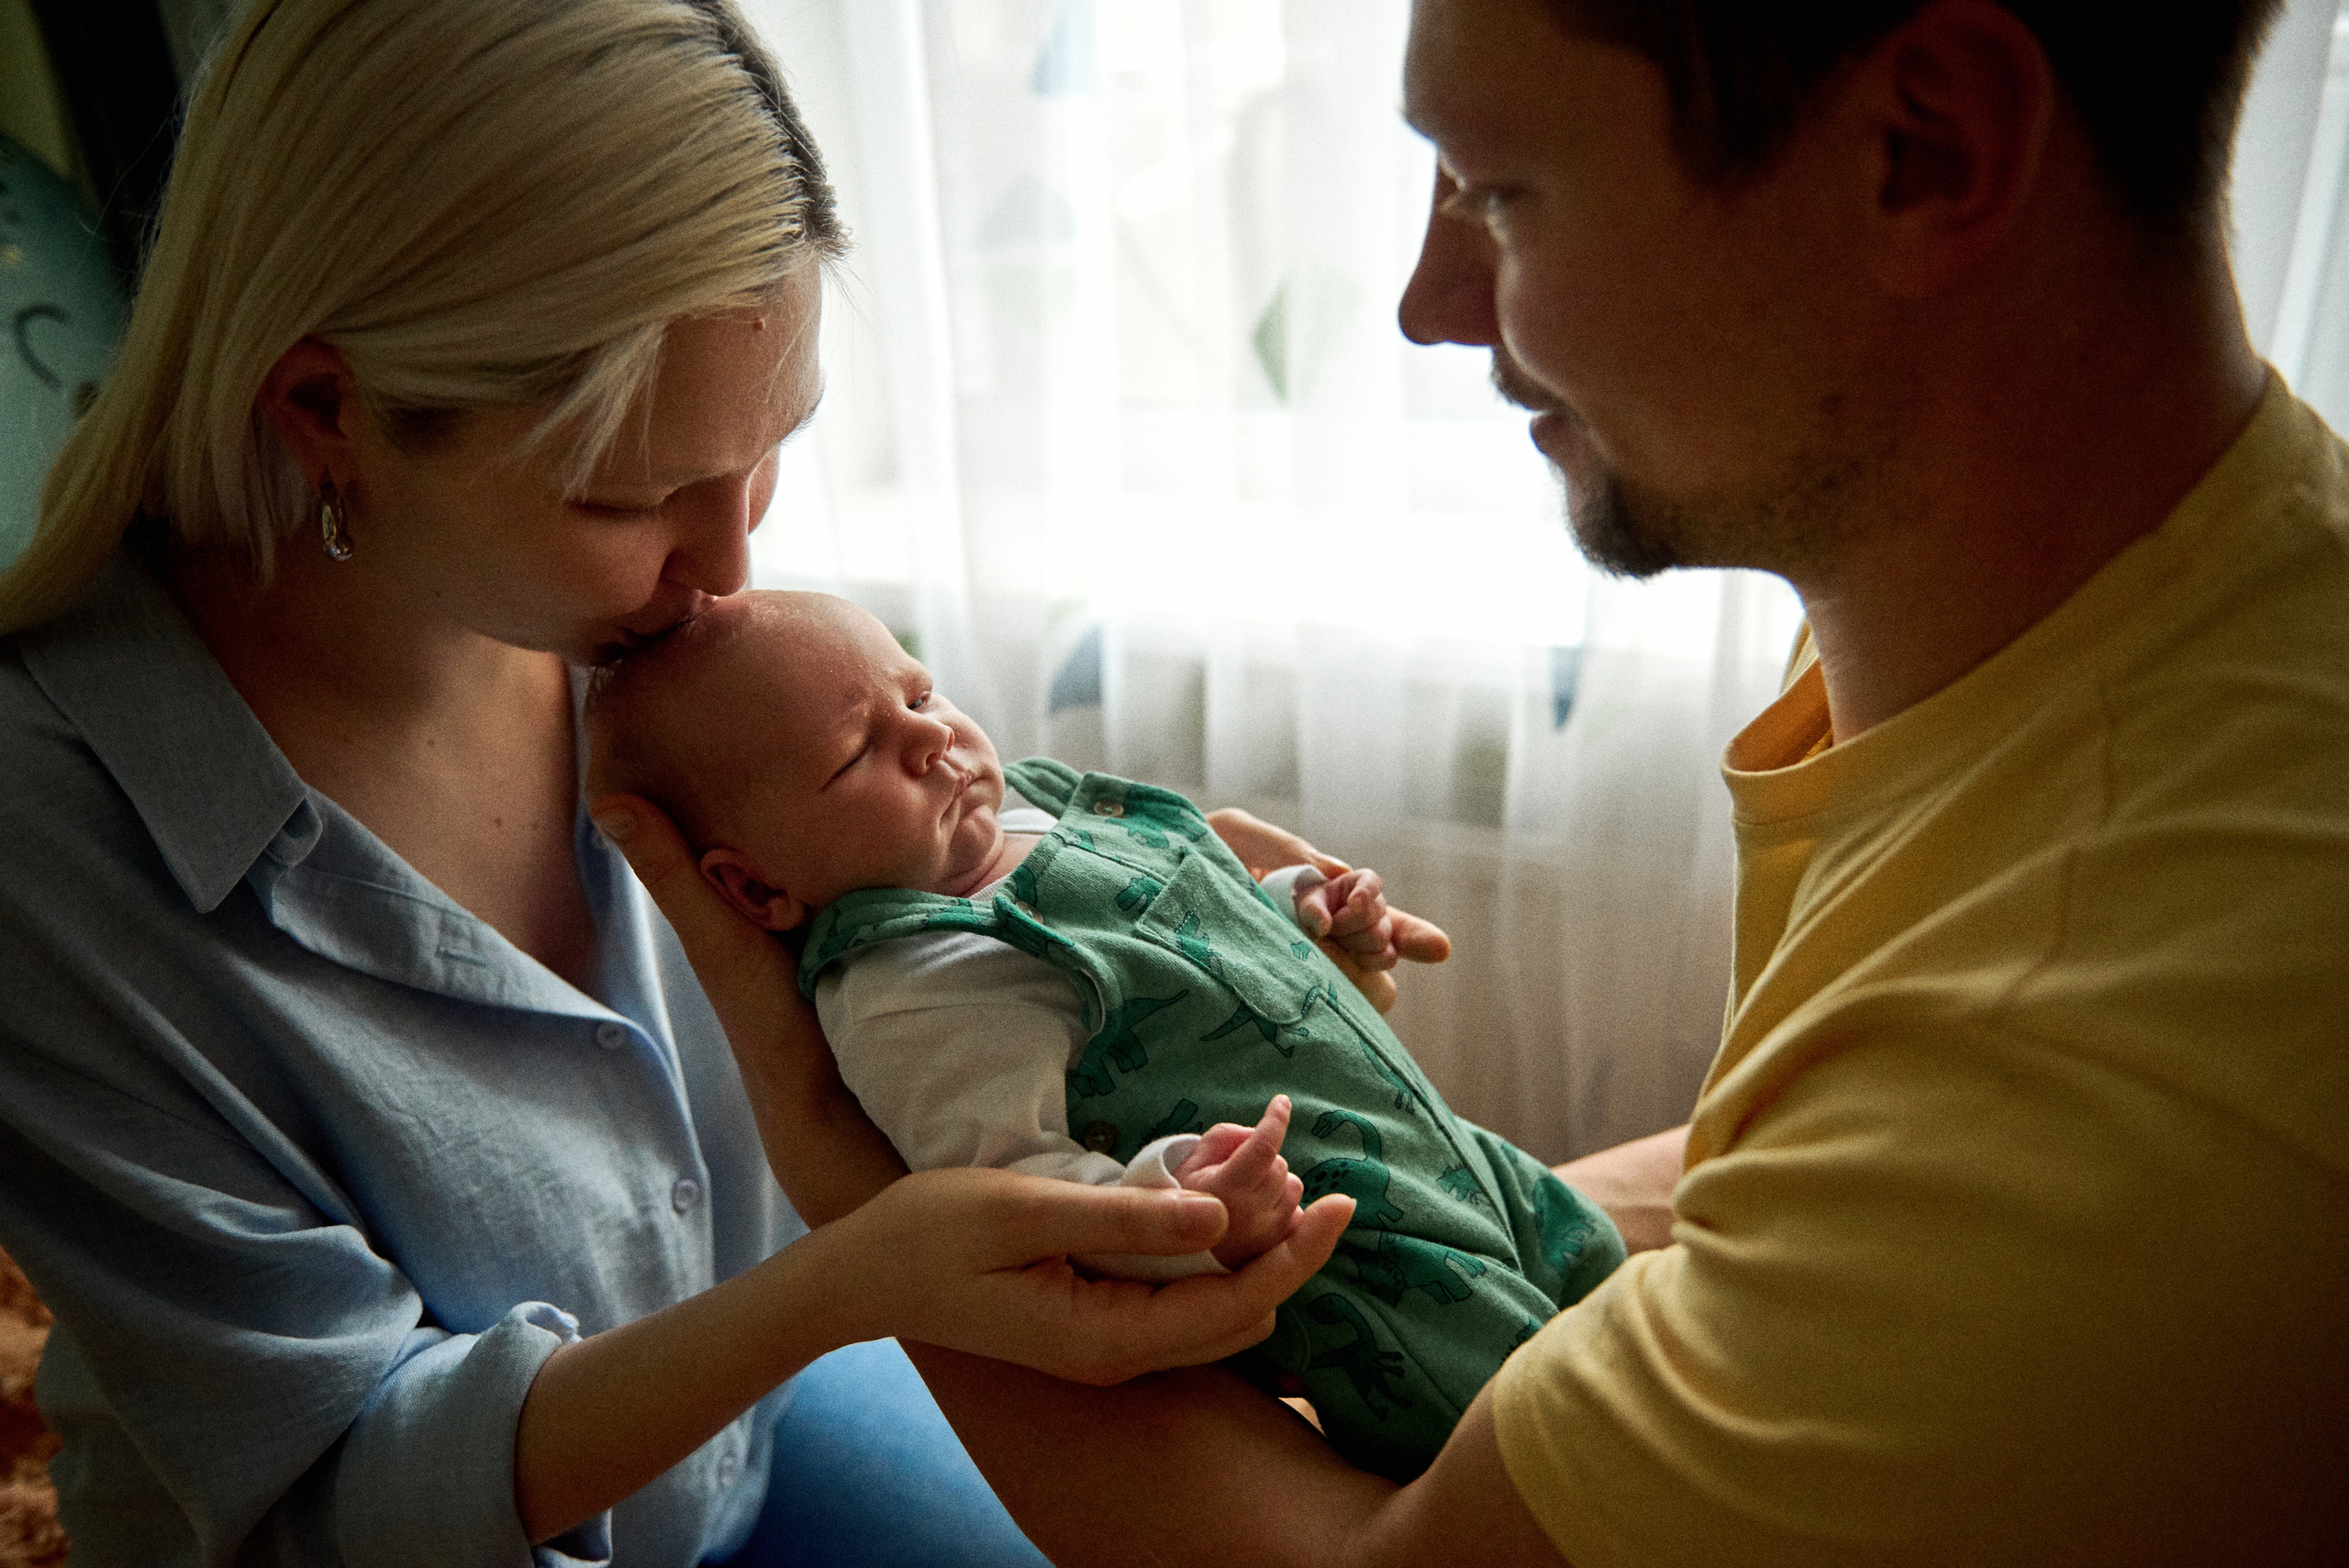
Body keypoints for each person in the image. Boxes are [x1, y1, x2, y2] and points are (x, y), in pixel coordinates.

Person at [591, 0, 2349, 1562]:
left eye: (1499, 192)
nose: (1433, 306)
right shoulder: (2168, 634)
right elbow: (1798, 1176)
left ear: (1927, 149)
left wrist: (868, 1198)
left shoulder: (2089, 1057)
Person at [0, 2, 1363, 1563]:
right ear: (326, 413)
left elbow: (859, 878)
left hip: (765, 1433)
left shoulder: (632, 617)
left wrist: (1092, 867)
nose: (731, 566)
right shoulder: (51, 836)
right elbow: (336, 1488)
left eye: (765, 453)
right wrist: (852, 1281)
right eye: (635, 495)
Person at [584, 590, 1623, 1477]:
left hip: (1433, 1141)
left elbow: (1201, 926)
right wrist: (1184, 1197)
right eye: (860, 752)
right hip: (1350, 1248)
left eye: (918, 692)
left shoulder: (1042, 806)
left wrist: (1303, 905)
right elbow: (1016, 1195)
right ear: (755, 885)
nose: (932, 737)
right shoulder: (919, 984)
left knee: (1614, 1289)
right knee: (1541, 1442)